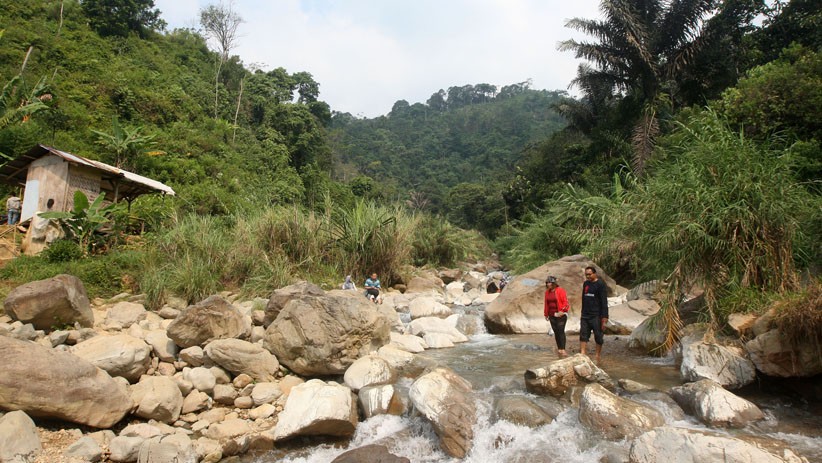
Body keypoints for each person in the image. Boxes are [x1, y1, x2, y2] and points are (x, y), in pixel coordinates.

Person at [579, 266, 609, 363]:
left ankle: (597, 356)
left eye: (589, 274)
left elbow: (604, 301)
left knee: (598, 336)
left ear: (594, 273)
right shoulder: (586, 284)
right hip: (585, 315)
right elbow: (584, 299)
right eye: (586, 274)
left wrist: (604, 318)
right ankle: (582, 353)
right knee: (583, 334)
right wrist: (582, 313)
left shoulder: (600, 284)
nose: (587, 276)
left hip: (596, 315)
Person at [544, 276, 570, 357]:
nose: (548, 284)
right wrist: (546, 313)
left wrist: (562, 311)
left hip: (560, 314)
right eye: (547, 283)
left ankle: (563, 349)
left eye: (550, 282)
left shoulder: (560, 290)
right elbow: (546, 303)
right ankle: (559, 349)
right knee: (556, 332)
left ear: (554, 283)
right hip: (551, 314)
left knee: (560, 330)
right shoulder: (547, 292)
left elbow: (565, 302)